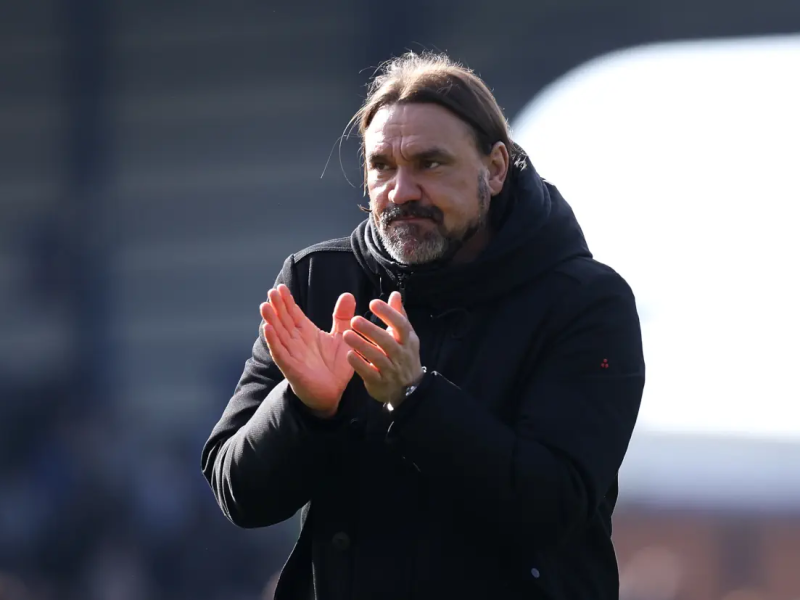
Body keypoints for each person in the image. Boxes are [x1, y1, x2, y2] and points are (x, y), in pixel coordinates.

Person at [202, 51, 645, 600]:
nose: (401, 191)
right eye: (382, 166)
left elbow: (554, 505)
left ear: (495, 169)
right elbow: (239, 495)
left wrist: (414, 399)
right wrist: (303, 409)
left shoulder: (585, 302)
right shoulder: (319, 280)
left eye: (430, 164)